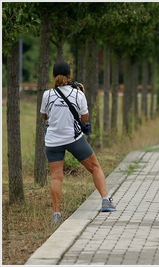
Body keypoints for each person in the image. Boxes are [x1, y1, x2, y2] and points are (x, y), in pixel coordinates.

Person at [40, 61, 116, 226]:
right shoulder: (78, 94)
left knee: (56, 177)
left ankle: (57, 214)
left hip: (53, 141)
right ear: (70, 76)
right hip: (74, 139)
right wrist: (81, 93)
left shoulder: (47, 94)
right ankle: (105, 200)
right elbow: (85, 118)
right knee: (95, 167)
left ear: (53, 76)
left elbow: (44, 116)